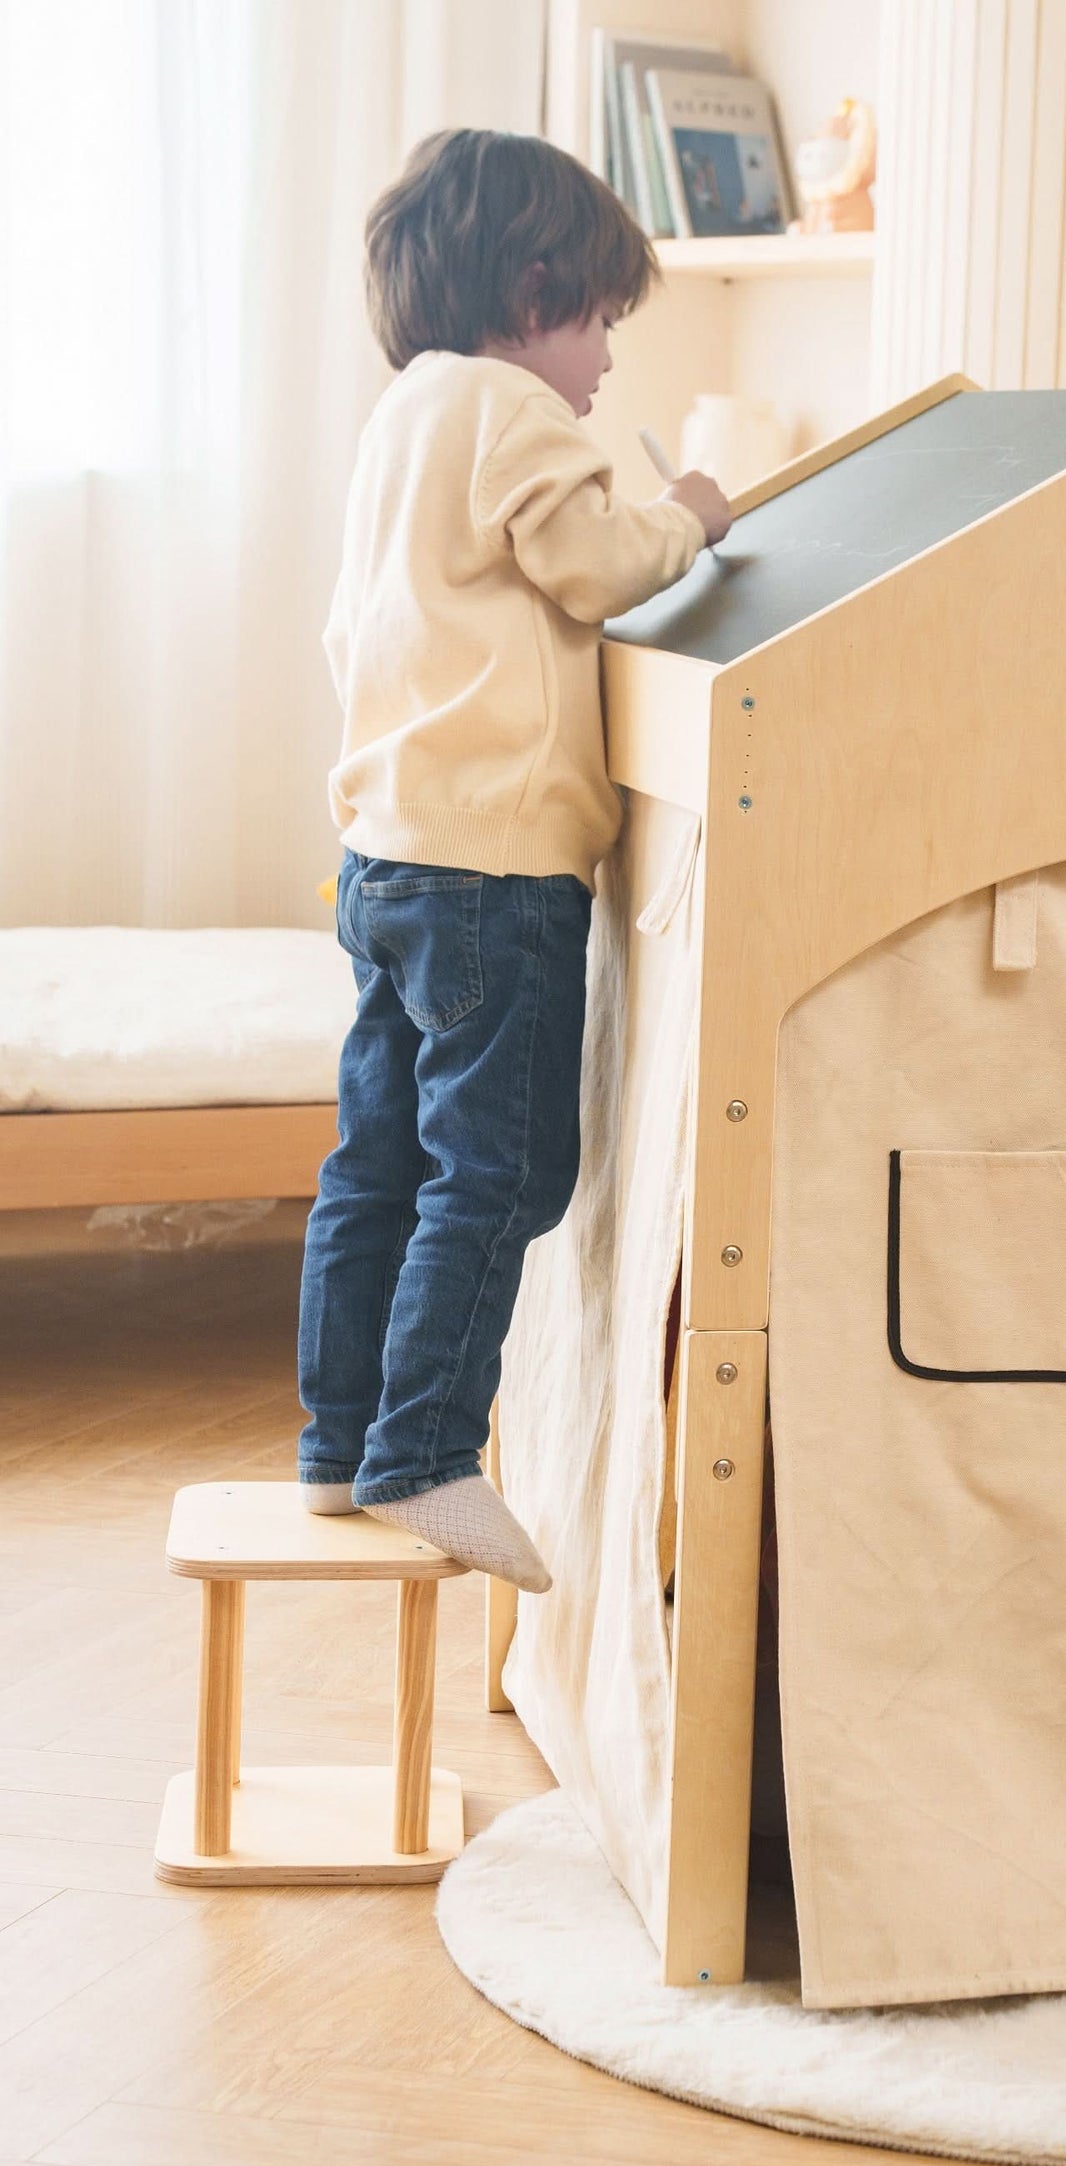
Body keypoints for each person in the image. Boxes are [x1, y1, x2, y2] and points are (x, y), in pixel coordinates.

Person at [296, 129, 732, 1590]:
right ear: (532, 289)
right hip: (493, 870)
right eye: (601, 316)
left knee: (378, 1158)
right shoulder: (515, 413)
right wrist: (694, 515)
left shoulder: (404, 417)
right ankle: (423, 1449)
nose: (607, 354)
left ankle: (336, 1437)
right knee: (503, 1171)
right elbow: (600, 567)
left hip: (388, 859)